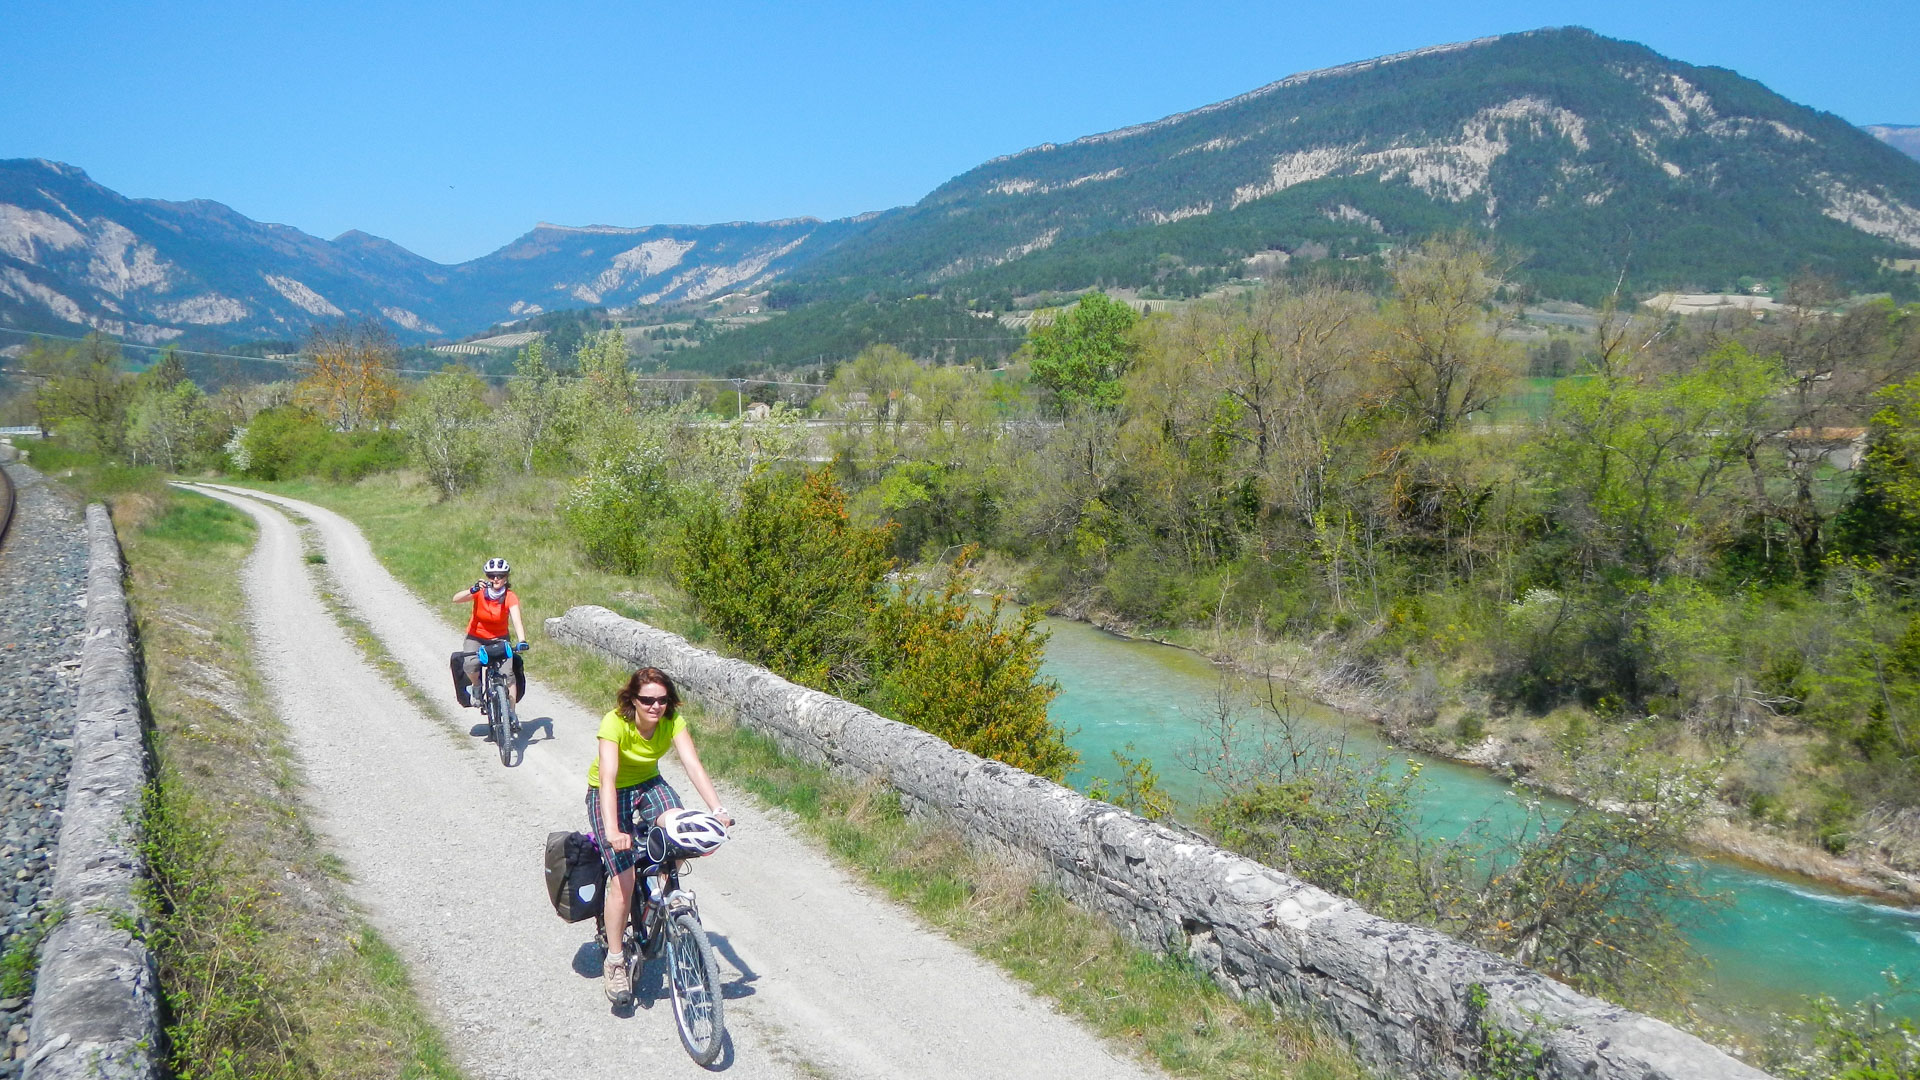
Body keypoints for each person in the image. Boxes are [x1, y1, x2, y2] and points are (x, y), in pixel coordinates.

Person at [587, 667, 733, 1007]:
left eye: (662, 700)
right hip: (609, 792)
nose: (655, 707)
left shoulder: (672, 722)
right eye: (647, 700)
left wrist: (717, 810)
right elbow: (607, 777)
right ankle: (615, 960)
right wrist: (612, 830)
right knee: (623, 880)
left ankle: (657, 894)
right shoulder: (615, 722)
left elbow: (692, 764)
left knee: (682, 831)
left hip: (650, 784)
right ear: (633, 700)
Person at [449, 556, 528, 712]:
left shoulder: (510, 596)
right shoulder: (480, 591)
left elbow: (516, 619)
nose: (496, 579)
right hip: (476, 636)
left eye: (500, 575)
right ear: (487, 577)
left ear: (506, 578)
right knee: (470, 664)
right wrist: (472, 589)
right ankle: (477, 687)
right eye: (492, 576)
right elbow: (456, 599)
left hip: (499, 638)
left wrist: (522, 640)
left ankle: (511, 713)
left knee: (508, 675)